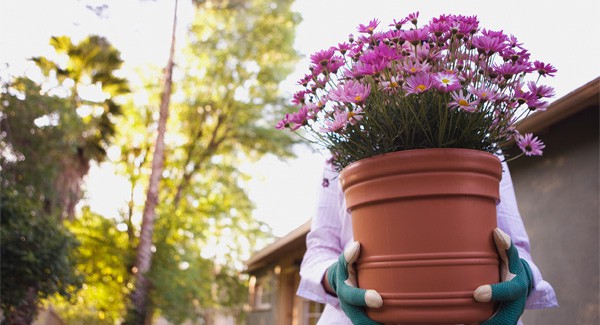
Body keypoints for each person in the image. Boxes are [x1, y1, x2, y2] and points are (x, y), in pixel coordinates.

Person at [297, 157, 558, 325]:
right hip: (362, 316)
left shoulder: (485, 143)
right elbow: (320, 249)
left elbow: (515, 245)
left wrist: (521, 273)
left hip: (474, 314)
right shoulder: (341, 152)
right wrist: (334, 278)